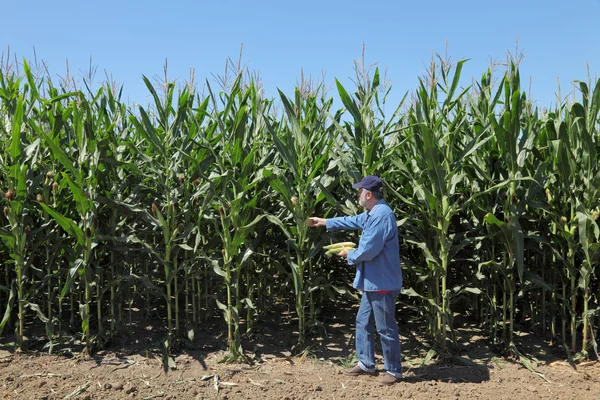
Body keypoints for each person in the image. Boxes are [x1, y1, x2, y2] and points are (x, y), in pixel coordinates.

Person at [307, 175, 403, 386]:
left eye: (360, 191)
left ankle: (394, 371)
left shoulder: (381, 216)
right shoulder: (372, 213)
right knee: (363, 321)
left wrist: (348, 254)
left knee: (385, 328)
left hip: (382, 283)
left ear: (368, 195)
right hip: (372, 282)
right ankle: (366, 363)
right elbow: (353, 221)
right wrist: (323, 222)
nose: (358, 194)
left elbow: (368, 250)